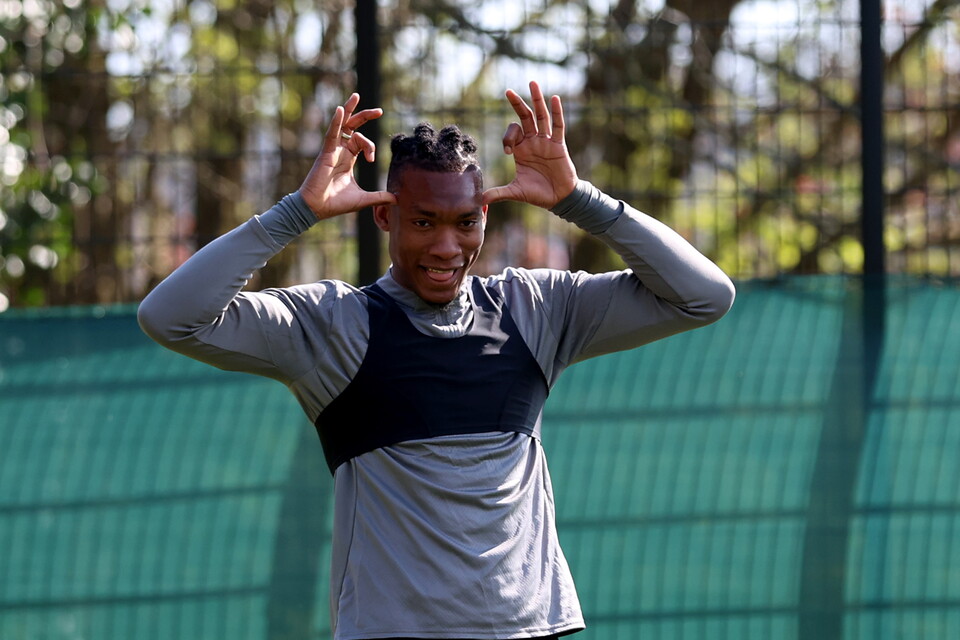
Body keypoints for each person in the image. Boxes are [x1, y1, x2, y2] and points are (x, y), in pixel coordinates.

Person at [138, 81, 735, 640]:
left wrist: (580, 200)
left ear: (484, 219)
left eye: (464, 223)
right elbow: (170, 317)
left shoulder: (535, 309)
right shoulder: (332, 326)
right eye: (423, 222)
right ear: (384, 216)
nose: (447, 247)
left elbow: (704, 296)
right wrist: (298, 211)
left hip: (531, 628)